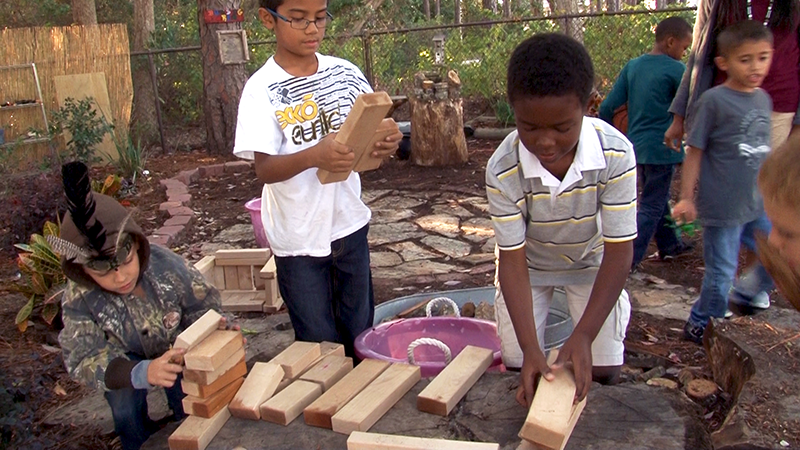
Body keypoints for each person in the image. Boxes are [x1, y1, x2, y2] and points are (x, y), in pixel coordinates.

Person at [233, 0, 403, 357]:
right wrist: (313, 156)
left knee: (360, 333)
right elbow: (263, 169)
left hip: (349, 224)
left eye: (320, 17)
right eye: (298, 19)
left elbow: (364, 148)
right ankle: (328, 408)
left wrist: (384, 144)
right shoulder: (261, 89)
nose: (312, 28)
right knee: (318, 345)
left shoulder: (344, 73)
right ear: (268, 19)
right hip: (298, 239)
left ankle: (359, 405)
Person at [486, 33, 637, 406]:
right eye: (530, 128)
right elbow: (513, 259)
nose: (546, 143)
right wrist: (530, 347)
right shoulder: (503, 169)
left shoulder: (616, 155)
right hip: (529, 269)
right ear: (513, 111)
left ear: (588, 107)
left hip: (592, 263)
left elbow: (619, 255)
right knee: (521, 363)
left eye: (562, 128)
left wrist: (583, 335)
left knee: (602, 369)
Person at [52, 162, 223, 450]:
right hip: (122, 360)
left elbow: (204, 306)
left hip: (176, 347)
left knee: (190, 393)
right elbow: (83, 358)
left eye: (126, 263)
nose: (120, 278)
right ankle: (139, 442)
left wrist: (218, 332)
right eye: (104, 273)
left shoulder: (166, 264)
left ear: (137, 245)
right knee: (124, 406)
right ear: (82, 271)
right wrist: (140, 373)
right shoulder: (78, 298)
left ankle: (191, 433)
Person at [671, 21, 775, 343]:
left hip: (757, 203)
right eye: (745, 59)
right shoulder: (714, 102)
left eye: (763, 57)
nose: (755, 66)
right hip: (724, 207)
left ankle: (743, 297)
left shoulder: (763, 100)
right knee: (719, 277)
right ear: (723, 63)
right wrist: (686, 197)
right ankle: (701, 322)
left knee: (777, 258)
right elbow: (695, 151)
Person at [600, 17, 694, 270]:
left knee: (656, 197)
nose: (683, 53)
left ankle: (670, 245)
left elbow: (609, 106)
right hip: (664, 148)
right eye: (684, 48)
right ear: (670, 41)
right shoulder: (677, 70)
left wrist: (611, 136)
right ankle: (627, 259)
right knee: (652, 203)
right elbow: (691, 105)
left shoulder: (633, 66)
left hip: (636, 147)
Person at [666, 0, 800, 153]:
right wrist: (679, 117)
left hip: (780, 108)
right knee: (723, 171)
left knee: (770, 175)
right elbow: (699, 56)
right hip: (724, 107)